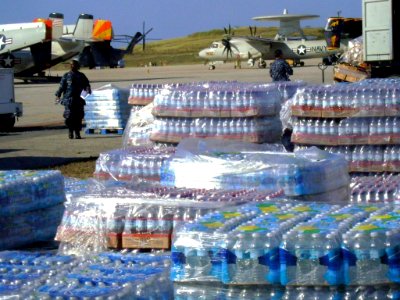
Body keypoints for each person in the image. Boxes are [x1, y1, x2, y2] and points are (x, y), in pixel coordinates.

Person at [55, 59, 91, 139]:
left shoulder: (81, 76)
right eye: (71, 64)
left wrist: (86, 94)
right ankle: (70, 131)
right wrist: (58, 95)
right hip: (69, 100)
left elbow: (87, 86)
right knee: (69, 117)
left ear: (77, 66)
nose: (72, 66)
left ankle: (77, 133)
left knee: (78, 117)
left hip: (79, 100)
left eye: (74, 64)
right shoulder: (66, 75)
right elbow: (61, 87)